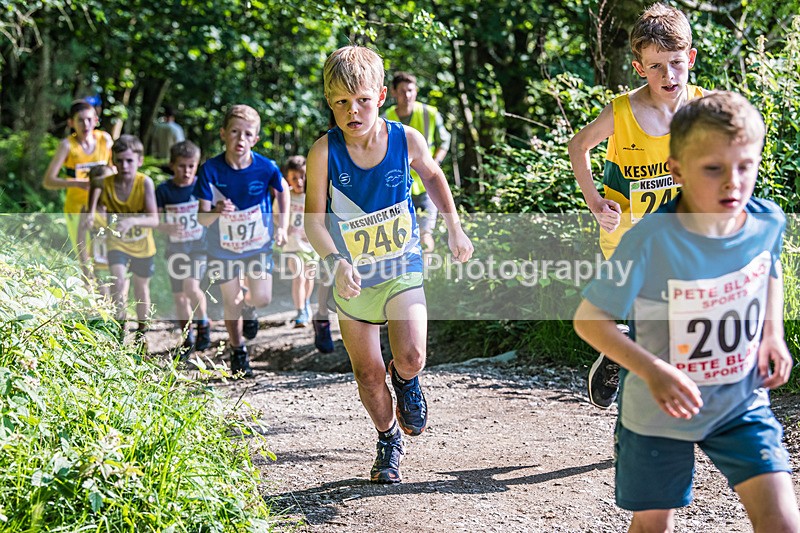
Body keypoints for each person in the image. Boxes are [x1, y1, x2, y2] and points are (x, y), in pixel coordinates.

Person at [573, 91, 800, 533]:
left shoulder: (767, 220)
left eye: (745, 166)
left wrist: (773, 335)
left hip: (740, 399)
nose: (733, 182)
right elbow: (590, 319)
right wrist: (654, 371)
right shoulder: (651, 239)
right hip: (659, 408)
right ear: (677, 169)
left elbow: (769, 265)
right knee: (653, 524)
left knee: (781, 521)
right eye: (713, 169)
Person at [305, 45, 473, 484]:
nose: (352, 110)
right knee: (366, 371)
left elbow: (434, 177)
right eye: (341, 102)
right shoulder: (324, 152)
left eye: (361, 99)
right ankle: (387, 440)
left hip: (401, 267)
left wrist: (455, 227)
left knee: (412, 355)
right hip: (353, 277)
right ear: (330, 103)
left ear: (380, 96)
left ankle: (407, 380)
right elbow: (313, 223)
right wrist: (336, 261)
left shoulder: (405, 139)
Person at [567, 3, 705, 409]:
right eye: (657, 65)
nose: (669, 75)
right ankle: (625, 366)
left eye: (676, 63)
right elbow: (578, 146)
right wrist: (594, 202)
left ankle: (621, 359)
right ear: (639, 67)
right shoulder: (622, 111)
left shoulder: (701, 108)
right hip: (625, 238)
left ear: (690, 58)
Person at [195, 104, 289, 378]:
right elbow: (202, 219)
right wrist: (217, 211)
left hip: (257, 243)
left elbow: (282, 191)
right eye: (234, 132)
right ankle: (238, 350)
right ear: (223, 134)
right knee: (230, 298)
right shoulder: (210, 169)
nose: (240, 139)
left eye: (247, 134)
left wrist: (281, 225)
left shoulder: (266, 167)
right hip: (222, 247)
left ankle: (249, 308)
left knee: (261, 296)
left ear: (255, 139)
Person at [84, 135, 159, 347]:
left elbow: (154, 219)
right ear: (113, 162)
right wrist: (90, 214)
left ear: (139, 161)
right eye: (120, 161)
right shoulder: (104, 183)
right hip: (116, 243)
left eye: (129, 161)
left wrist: (133, 220)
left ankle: (142, 333)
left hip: (143, 245)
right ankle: (119, 330)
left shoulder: (145, 183)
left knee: (141, 289)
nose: (124, 166)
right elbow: (93, 195)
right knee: (117, 284)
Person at [383, 71, 452, 253]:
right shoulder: (385, 119)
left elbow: (444, 141)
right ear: (393, 93)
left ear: (416, 91)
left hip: (426, 184)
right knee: (398, 237)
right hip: (397, 186)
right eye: (403, 91)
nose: (407, 95)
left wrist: (434, 162)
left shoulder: (429, 113)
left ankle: (427, 278)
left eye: (410, 90)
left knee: (425, 234)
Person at [42, 99, 113, 272]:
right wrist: (79, 183)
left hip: (102, 208)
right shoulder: (67, 145)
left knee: (104, 259)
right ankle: (88, 293)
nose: (86, 124)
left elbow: (114, 170)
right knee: (84, 258)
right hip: (77, 209)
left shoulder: (105, 140)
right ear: (71, 123)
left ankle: (105, 296)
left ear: (96, 120)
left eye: (89, 119)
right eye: (80, 120)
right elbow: (48, 181)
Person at [155, 140, 211, 359]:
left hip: (199, 246)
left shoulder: (201, 186)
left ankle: (203, 323)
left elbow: (213, 211)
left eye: (191, 166)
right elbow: (156, 220)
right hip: (175, 248)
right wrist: (165, 226)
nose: (186, 171)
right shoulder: (164, 190)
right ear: (172, 165)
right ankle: (187, 337)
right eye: (181, 166)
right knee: (179, 298)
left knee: (191, 286)